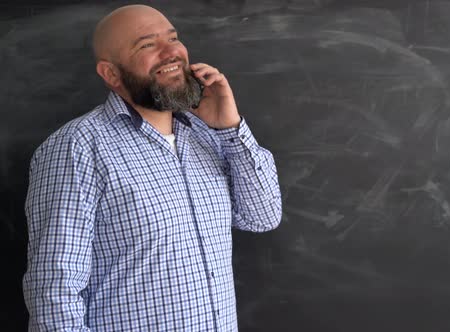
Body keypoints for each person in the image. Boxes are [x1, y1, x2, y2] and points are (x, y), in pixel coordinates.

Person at [22, 4, 282, 331]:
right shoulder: (76, 147)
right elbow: (54, 288)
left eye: (173, 38)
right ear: (111, 74)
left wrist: (231, 129)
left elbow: (263, 216)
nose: (171, 52)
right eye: (147, 45)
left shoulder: (207, 134)